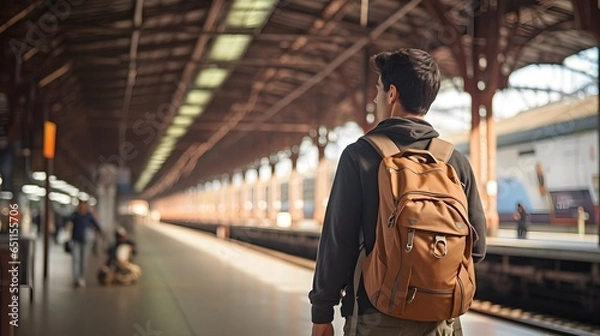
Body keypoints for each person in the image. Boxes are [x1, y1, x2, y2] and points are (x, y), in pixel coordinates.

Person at [309, 48, 487, 336]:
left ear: (391, 94)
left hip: (376, 317)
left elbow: (336, 243)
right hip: (442, 323)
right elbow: (476, 249)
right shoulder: (455, 161)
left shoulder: (360, 156)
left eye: (378, 90)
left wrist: (322, 312)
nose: (375, 98)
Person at [65, 201, 103, 287]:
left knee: (84, 260)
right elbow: (67, 220)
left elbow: (96, 224)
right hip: (76, 240)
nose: (82, 208)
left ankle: (81, 277)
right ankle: (76, 278)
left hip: (86, 241)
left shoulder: (88, 215)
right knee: (76, 259)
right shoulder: (75, 214)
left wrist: (100, 232)